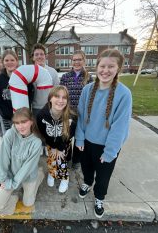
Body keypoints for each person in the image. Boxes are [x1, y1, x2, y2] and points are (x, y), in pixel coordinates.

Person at [75, 49, 132, 218]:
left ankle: (99, 197)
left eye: (111, 66)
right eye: (102, 66)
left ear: (118, 69)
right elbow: (81, 115)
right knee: (87, 168)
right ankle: (87, 183)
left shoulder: (124, 94)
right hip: (86, 141)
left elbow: (120, 127)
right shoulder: (87, 90)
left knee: (103, 175)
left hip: (107, 145)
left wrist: (110, 151)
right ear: (96, 66)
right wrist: (79, 137)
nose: (105, 70)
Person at [0, 107, 44, 215]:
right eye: (17, 123)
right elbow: (3, 158)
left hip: (28, 176)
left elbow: (27, 168)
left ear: (31, 121)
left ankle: (39, 175)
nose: (20, 126)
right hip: (11, 175)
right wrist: (2, 179)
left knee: (28, 203)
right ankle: (14, 198)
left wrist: (13, 184)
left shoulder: (36, 142)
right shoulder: (10, 134)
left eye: (24, 122)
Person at [37, 86, 76, 193]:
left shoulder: (71, 116)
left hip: (64, 143)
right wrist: (53, 147)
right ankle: (52, 173)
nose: (60, 100)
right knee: (51, 158)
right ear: (50, 98)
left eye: (64, 97)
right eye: (57, 96)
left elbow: (70, 134)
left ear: (67, 101)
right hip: (50, 142)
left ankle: (64, 178)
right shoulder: (42, 115)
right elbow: (43, 133)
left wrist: (60, 148)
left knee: (61, 159)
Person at [60, 50, 93, 170]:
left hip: (82, 114)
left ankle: (76, 160)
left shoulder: (89, 78)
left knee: (80, 137)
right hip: (68, 112)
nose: (77, 62)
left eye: (79, 59)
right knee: (67, 137)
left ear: (84, 61)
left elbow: (91, 97)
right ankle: (67, 158)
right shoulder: (65, 77)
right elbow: (61, 94)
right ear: (71, 61)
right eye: (74, 60)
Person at [0, 50, 18, 133]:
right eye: (6, 60)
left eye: (12, 60)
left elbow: (30, 94)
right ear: (3, 62)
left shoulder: (24, 76)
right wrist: (4, 111)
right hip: (7, 117)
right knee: (9, 138)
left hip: (22, 116)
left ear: (16, 61)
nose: (9, 62)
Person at [31, 43, 59, 116]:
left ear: (45, 56)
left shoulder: (53, 72)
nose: (39, 56)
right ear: (33, 57)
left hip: (50, 107)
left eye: (41, 54)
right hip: (35, 108)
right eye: (36, 54)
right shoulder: (29, 72)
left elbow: (57, 91)